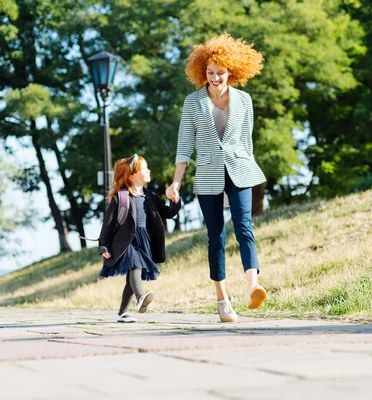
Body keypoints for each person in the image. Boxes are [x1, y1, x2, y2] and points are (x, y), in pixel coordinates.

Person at [166, 33, 267, 323]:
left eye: (220, 73)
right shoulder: (193, 102)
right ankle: (222, 299)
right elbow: (185, 144)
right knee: (216, 237)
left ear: (231, 72)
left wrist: (250, 170)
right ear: (202, 72)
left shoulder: (244, 101)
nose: (215, 78)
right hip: (208, 173)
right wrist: (176, 181)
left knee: (244, 227)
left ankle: (253, 287)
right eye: (210, 73)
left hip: (239, 169)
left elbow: (246, 141)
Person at [99, 154, 180, 322]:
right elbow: (108, 223)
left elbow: (167, 213)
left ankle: (122, 313)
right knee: (134, 265)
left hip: (145, 240)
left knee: (132, 277)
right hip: (125, 241)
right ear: (132, 175)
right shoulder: (120, 197)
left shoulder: (150, 196)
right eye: (144, 169)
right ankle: (141, 298)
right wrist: (103, 246)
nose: (148, 170)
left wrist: (174, 201)